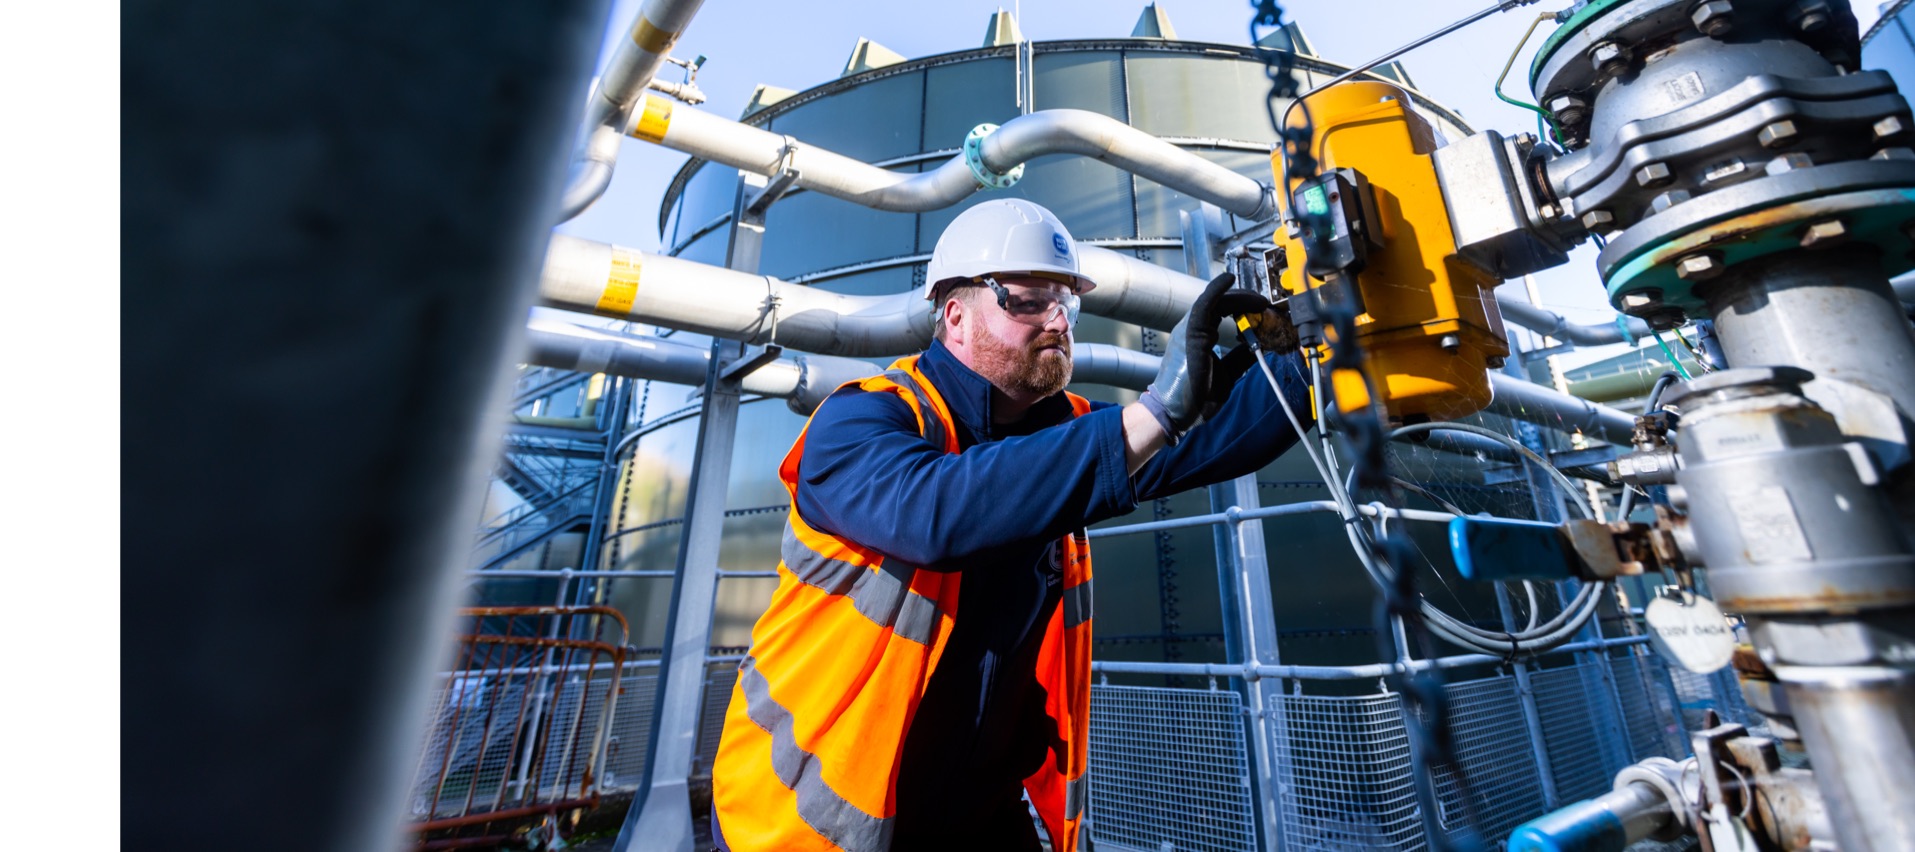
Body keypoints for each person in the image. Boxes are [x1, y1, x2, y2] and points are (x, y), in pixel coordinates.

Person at [711, 199, 1311, 852]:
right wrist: (1155, 411)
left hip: (979, 807)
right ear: (955, 315)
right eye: (1027, 300)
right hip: (814, 815)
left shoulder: (1061, 431)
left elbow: (1213, 439)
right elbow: (936, 515)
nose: (1057, 320)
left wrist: (1308, 344)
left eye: (1066, 303)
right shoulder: (862, 422)